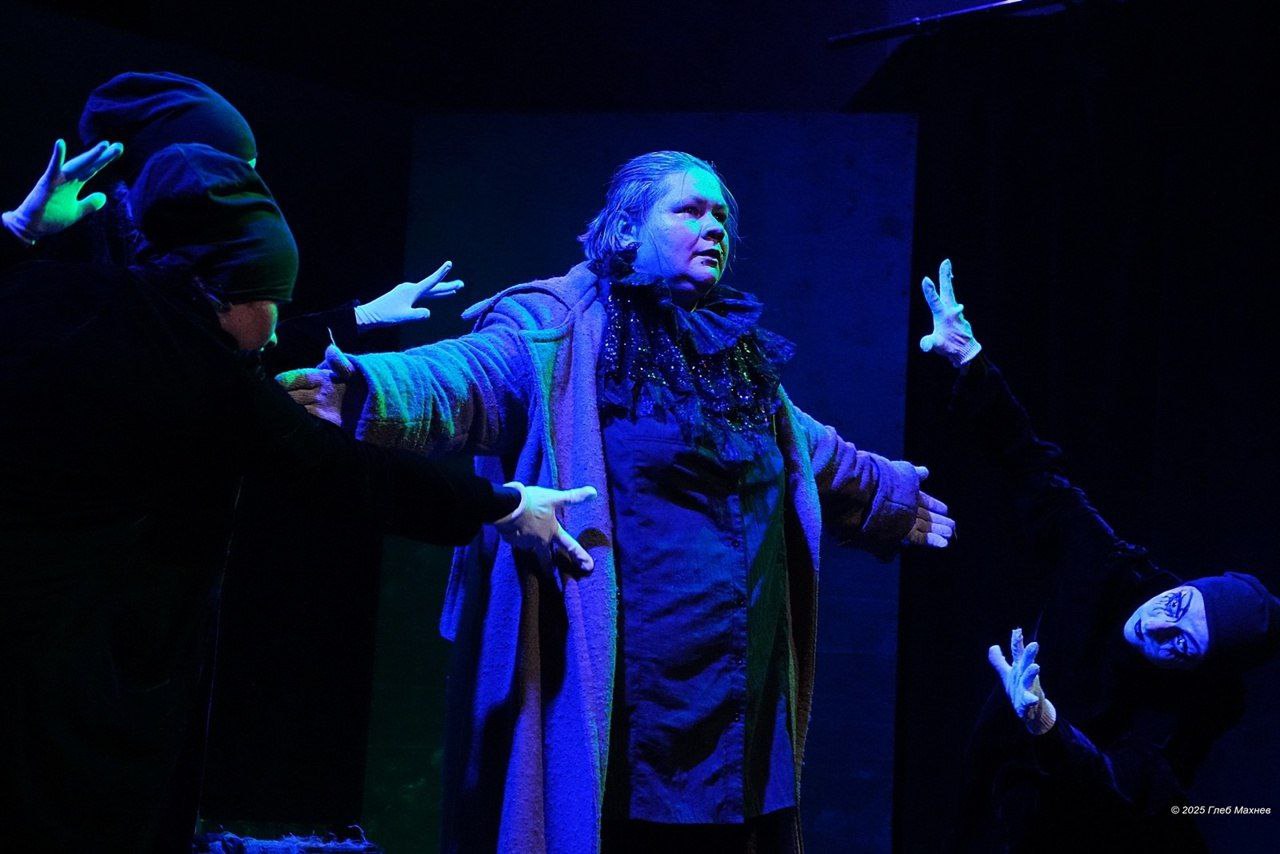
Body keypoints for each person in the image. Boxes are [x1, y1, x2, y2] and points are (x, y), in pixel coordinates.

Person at [280, 151, 955, 853]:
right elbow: (463, 378)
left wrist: (888, 497)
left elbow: (807, 447)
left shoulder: (733, 354)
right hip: (627, 701)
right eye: (689, 210)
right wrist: (363, 391)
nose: (714, 227)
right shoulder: (561, 324)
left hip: (734, 701)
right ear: (627, 229)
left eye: (721, 216)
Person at [0, 140, 594, 853]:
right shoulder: (211, 382)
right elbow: (347, 473)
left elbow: (246, 344)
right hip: (75, 664)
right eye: (275, 302)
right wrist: (501, 504)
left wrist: (19, 230)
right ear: (224, 293)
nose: (281, 325)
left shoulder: (67, 294)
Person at [916, 260, 1280, 852]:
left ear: (1196, 669)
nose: (1158, 625)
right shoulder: (1114, 571)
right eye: (1178, 605)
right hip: (1000, 783)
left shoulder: (1196, 707)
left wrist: (1046, 721)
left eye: (1181, 645)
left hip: (1096, 826)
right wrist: (969, 360)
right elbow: (1032, 467)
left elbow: (1131, 791)